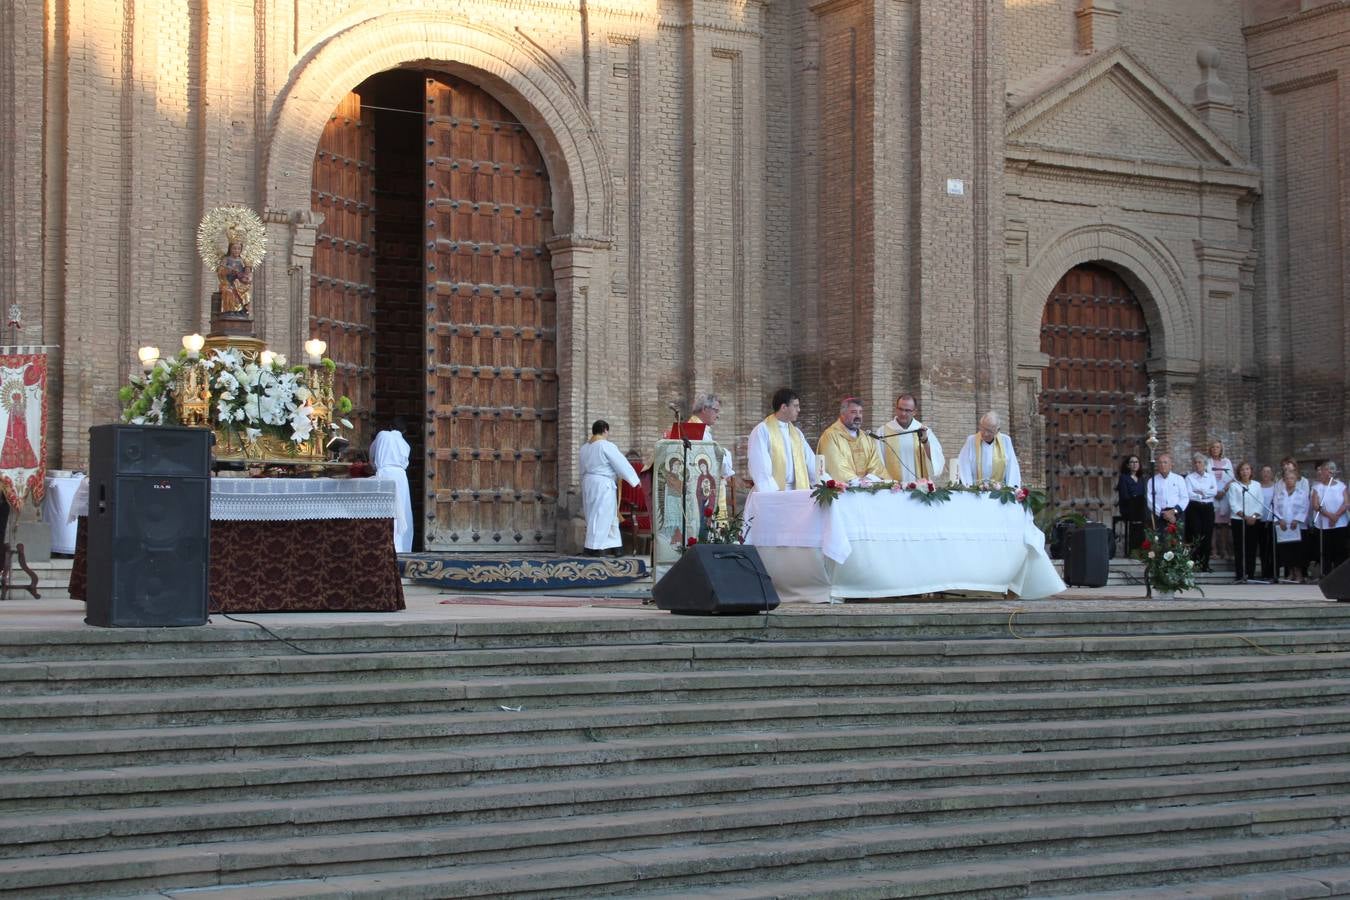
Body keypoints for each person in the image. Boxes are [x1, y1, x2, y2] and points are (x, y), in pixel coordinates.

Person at [580, 419, 641, 556]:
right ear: (605, 430)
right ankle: (594, 548)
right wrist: (635, 481)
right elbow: (621, 463)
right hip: (603, 484)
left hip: (588, 483)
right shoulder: (605, 445)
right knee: (601, 516)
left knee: (609, 516)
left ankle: (616, 547)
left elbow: (581, 469)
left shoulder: (584, 448)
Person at [747, 388, 817, 491]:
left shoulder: (796, 433)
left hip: (798, 491)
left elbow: (811, 462)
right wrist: (773, 493)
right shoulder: (762, 430)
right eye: (796, 406)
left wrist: (827, 484)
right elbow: (760, 467)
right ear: (784, 407)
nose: (799, 410)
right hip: (774, 492)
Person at [817, 396, 886, 483]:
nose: (858, 416)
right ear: (842, 414)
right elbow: (836, 465)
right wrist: (857, 482)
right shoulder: (830, 436)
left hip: (868, 488)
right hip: (845, 491)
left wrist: (869, 479)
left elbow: (875, 463)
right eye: (853, 412)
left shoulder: (866, 437)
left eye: (860, 412)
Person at [878, 393, 944, 484]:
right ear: (896, 408)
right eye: (900, 409)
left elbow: (935, 458)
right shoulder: (883, 431)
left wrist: (925, 441)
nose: (903, 413)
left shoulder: (923, 431)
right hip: (892, 488)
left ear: (914, 412)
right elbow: (878, 460)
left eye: (907, 410)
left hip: (919, 488)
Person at [369, 418, 413, 553]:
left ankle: (385, 543)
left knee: (385, 509)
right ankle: (400, 546)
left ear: (389, 426)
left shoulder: (382, 435)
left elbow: (372, 455)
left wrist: (374, 467)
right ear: (404, 431)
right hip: (400, 477)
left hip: (385, 475)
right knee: (402, 509)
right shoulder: (405, 444)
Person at [689, 393, 734, 517]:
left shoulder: (696, 428)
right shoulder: (698, 430)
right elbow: (716, 460)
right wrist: (726, 455)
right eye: (716, 411)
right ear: (704, 409)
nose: (718, 415)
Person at [957, 411, 1021, 486]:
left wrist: (1012, 489)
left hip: (998, 491)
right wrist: (968, 487)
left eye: (989, 431)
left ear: (998, 430)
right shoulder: (971, 440)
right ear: (980, 426)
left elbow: (1012, 467)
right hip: (975, 491)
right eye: (983, 429)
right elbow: (964, 465)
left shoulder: (1005, 441)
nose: (985, 434)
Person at [1273, 465, 1310, 583]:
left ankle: (1299, 573)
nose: (1289, 480)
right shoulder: (1280, 494)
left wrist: (1297, 519)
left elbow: (1305, 507)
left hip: (1297, 527)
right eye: (1287, 478)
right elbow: (1276, 509)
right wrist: (1280, 520)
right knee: (1286, 550)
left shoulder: (1301, 493)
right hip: (1284, 527)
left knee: (1297, 550)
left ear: (1296, 480)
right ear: (1284, 480)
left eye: (1292, 478)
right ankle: (1290, 573)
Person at [1311, 460, 1349, 574]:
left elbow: (1347, 503)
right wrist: (1330, 516)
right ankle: (1326, 575)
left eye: (1325, 470)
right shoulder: (1317, 487)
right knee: (1326, 552)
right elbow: (1316, 505)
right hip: (1324, 525)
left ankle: (1341, 576)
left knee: (1340, 551)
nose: (1322, 473)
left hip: (1340, 524)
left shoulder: (1341, 486)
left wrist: (1336, 516)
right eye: (1322, 471)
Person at [1227, 461, 1263, 583]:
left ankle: (1250, 575)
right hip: (1239, 520)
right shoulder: (1234, 486)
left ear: (1251, 471)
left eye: (1247, 469)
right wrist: (1245, 516)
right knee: (1239, 548)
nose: (1245, 472)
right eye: (1242, 470)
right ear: (1239, 472)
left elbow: (1260, 502)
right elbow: (1233, 503)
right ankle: (1240, 575)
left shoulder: (1257, 485)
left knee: (1251, 548)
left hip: (1254, 520)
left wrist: (1253, 516)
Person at [1184, 452, 1217, 572]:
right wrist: (1202, 494)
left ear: (1205, 464)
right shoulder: (1189, 477)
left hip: (1208, 507)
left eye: (1200, 462)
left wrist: (1201, 492)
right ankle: (1194, 563)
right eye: (1196, 463)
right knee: (1195, 534)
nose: (1197, 465)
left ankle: (1205, 564)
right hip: (1194, 508)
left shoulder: (1211, 477)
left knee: (1207, 535)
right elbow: (1189, 493)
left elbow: (1214, 491)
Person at [1147, 452, 1188, 530]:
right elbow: (1150, 501)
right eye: (1160, 463)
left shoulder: (1179, 479)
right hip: (1160, 515)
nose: (1162, 465)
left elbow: (1185, 498)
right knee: (1161, 541)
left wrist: (1174, 511)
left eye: (1165, 462)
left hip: (1177, 513)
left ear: (1171, 465)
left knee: (1177, 540)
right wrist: (1163, 514)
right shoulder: (1152, 481)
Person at [1207, 440, 1234, 561]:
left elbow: (1232, 478)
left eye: (1217, 447)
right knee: (1212, 525)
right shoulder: (1208, 462)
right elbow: (1206, 478)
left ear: (1221, 449)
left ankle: (1224, 550)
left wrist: (1223, 490)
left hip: (1224, 496)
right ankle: (1214, 551)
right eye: (1213, 447)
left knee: (1224, 525)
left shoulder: (1227, 462)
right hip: (1212, 496)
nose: (1215, 449)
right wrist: (1215, 492)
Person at [1116, 454, 1147, 554]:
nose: (1134, 464)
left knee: (1145, 514)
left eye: (1136, 462)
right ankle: (1134, 549)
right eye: (1132, 462)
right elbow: (1125, 496)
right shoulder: (1124, 478)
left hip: (1139, 508)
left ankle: (1142, 549)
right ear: (1128, 465)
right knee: (1139, 514)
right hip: (1128, 507)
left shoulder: (1142, 478)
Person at [216, 240, 253, 315]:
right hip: (227, 282)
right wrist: (228, 271)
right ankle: (230, 311)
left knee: (245, 292)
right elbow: (220, 272)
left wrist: (245, 274)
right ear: (230, 249)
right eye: (234, 248)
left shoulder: (242, 261)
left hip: (238, 282)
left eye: (238, 249)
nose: (236, 250)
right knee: (229, 291)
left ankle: (242, 311)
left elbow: (246, 272)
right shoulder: (226, 259)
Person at [1258, 464, 1277, 581]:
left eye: (1268, 471)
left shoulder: (1276, 487)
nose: (1266, 474)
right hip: (1260, 520)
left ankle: (1272, 572)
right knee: (1262, 547)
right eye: (1264, 471)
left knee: (1272, 548)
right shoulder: (1257, 486)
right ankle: (1264, 572)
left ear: (1271, 474)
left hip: (1272, 521)